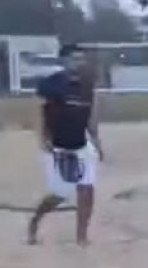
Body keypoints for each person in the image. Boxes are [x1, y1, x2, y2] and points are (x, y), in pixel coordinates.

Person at [28, 44, 103, 246]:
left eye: (82, 59)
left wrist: (97, 143)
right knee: (60, 193)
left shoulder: (87, 86)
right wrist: (43, 139)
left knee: (87, 189)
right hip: (58, 147)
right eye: (74, 59)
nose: (79, 63)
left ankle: (81, 236)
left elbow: (90, 118)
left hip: (82, 145)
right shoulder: (52, 84)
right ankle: (34, 222)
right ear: (64, 61)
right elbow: (41, 112)